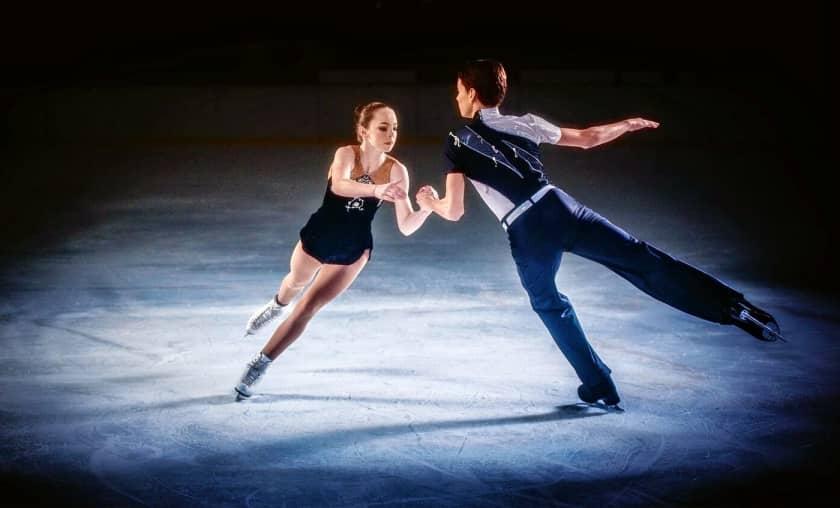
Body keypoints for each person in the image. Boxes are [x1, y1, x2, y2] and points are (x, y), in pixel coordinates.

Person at [415, 59, 783, 410]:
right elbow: (588, 138)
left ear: (473, 92)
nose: (457, 97)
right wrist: (627, 123)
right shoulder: (526, 123)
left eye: (460, 91)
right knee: (641, 259)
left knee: (548, 303)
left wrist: (430, 202)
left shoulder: (457, 140)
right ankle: (732, 307)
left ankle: (599, 384)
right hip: (562, 207)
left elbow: (454, 210)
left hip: (527, 230)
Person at [235, 102, 434, 400]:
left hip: (353, 248)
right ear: (363, 130)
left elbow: (406, 225)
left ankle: (260, 362)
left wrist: (427, 210)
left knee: (307, 308)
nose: (391, 134)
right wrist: (376, 190)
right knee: (294, 283)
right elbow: (340, 186)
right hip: (320, 234)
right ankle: (276, 305)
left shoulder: (397, 171)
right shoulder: (345, 154)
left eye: (394, 128)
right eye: (383, 127)